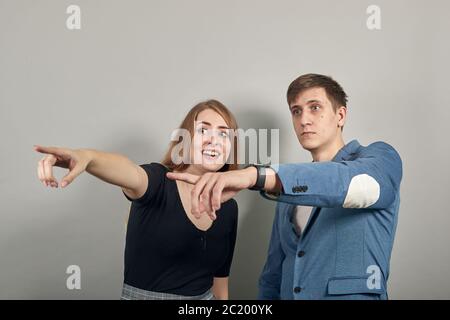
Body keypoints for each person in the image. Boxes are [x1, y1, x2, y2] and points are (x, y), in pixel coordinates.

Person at [167, 74, 403, 300]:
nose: (304, 119)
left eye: (315, 107)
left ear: (340, 115)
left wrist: (254, 175)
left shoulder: (380, 158)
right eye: (296, 111)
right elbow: (273, 274)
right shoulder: (286, 189)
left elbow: (352, 182)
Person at [34, 99, 239, 300]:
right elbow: (129, 171)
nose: (214, 139)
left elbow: (220, 286)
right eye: (203, 130)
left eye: (223, 133)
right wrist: (87, 157)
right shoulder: (159, 182)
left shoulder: (229, 208)